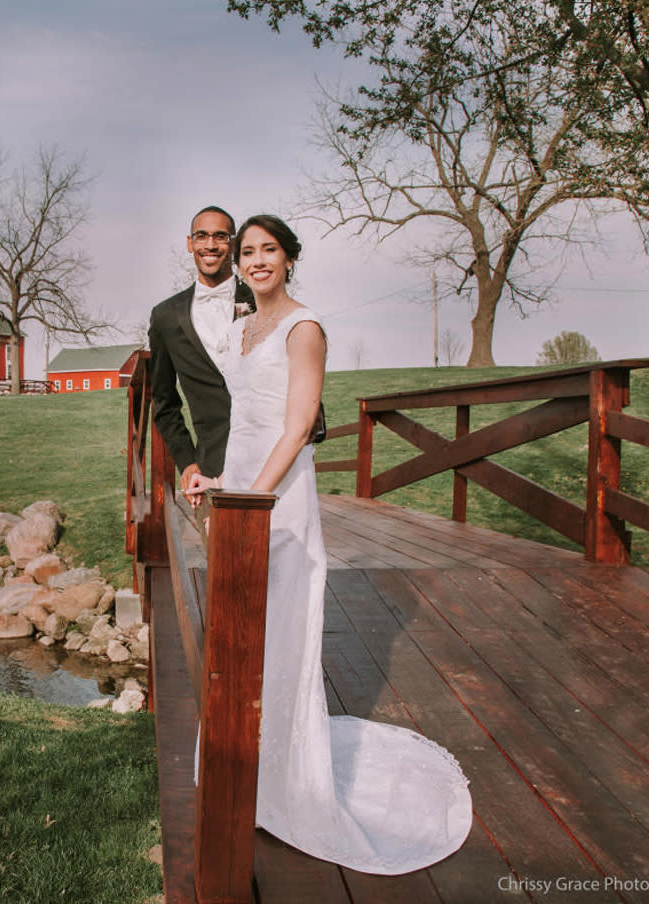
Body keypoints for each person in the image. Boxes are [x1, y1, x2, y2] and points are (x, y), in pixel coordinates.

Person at [188, 214, 472, 874]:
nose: (257, 260)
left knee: (278, 630)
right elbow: (245, 425)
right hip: (245, 491)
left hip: (280, 502)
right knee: (241, 628)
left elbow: (294, 428)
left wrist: (254, 497)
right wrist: (221, 479)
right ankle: (241, 766)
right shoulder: (240, 328)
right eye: (247, 250)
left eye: (269, 250)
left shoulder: (303, 328)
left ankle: (287, 781)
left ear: (290, 259)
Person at [148, 206, 255, 493]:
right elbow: (164, 402)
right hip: (211, 467)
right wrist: (187, 462)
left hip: (270, 456)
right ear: (189, 243)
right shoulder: (165, 316)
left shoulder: (261, 299)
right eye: (202, 236)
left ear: (233, 244)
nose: (210, 245)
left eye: (220, 236)